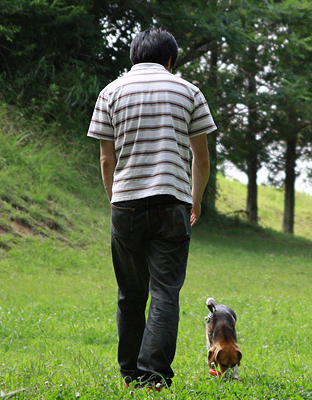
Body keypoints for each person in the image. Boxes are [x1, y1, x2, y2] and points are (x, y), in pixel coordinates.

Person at [87, 28, 215, 390]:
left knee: (130, 293)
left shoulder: (110, 93)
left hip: (125, 203)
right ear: (170, 59)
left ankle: (130, 374)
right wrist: (196, 198)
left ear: (133, 57)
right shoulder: (188, 91)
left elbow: (106, 160)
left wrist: (115, 199)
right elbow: (200, 158)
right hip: (171, 204)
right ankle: (153, 375)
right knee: (164, 292)